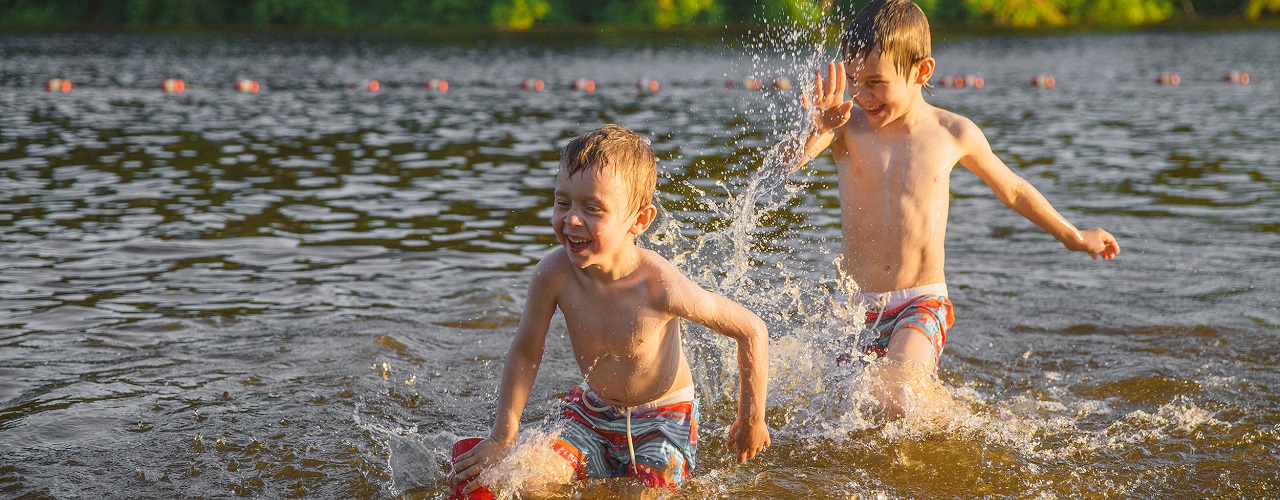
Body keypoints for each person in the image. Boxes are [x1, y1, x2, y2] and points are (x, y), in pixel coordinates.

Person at [781, 0, 1119, 417]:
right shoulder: (845, 128)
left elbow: (1012, 189)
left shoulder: (952, 132)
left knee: (899, 400)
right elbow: (786, 162)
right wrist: (816, 128)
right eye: (853, 81)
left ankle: (946, 425)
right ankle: (944, 409)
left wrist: (1074, 236)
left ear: (922, 72)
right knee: (842, 411)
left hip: (920, 299)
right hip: (854, 306)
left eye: (875, 82)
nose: (862, 95)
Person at [451, 124, 770, 494]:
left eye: (592, 208)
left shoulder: (659, 286)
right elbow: (526, 350)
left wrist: (752, 421)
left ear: (639, 220)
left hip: (663, 420)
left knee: (640, 495)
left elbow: (751, 330)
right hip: (591, 412)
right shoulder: (553, 275)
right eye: (562, 202)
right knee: (520, 482)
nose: (571, 219)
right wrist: (502, 437)